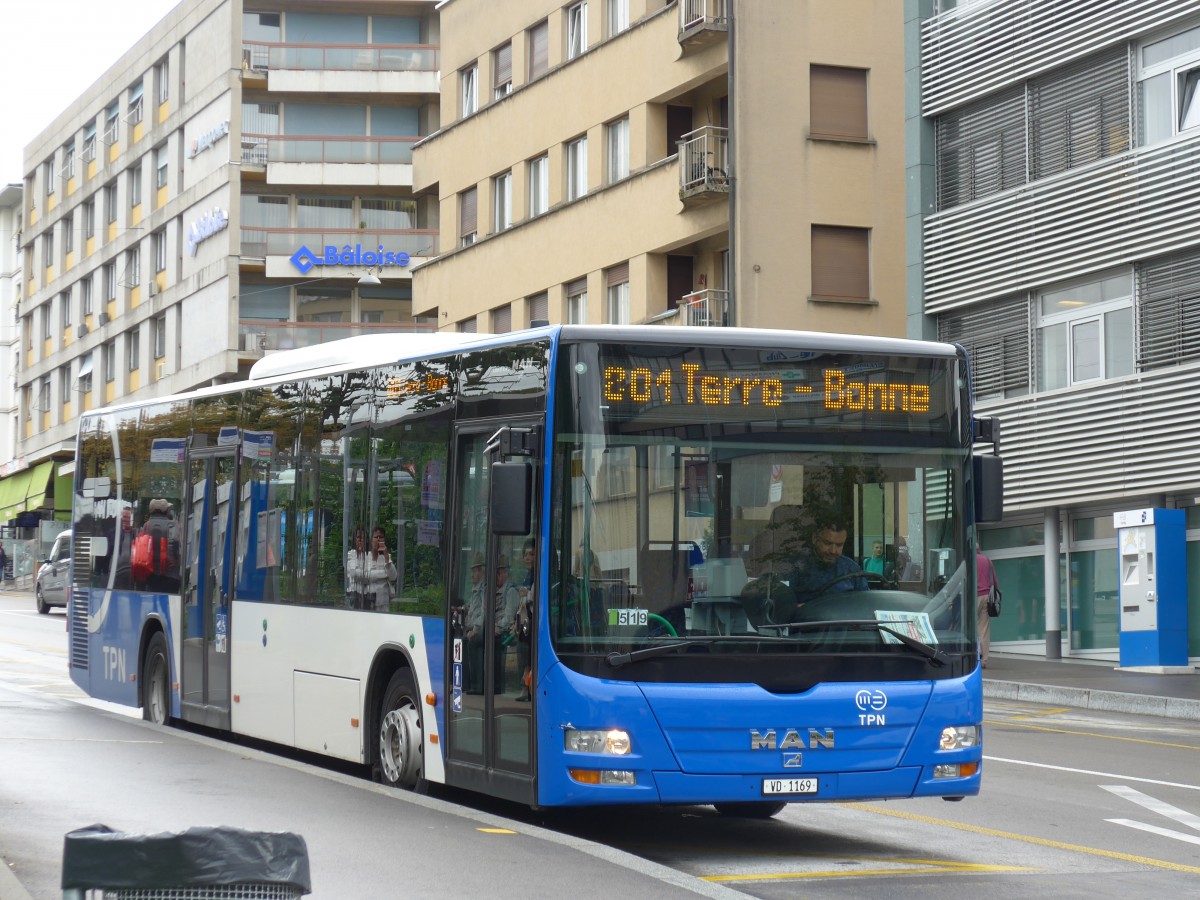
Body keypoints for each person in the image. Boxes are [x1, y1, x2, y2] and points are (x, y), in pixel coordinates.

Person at [788, 517, 867, 604]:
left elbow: (864, 603)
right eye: (827, 543)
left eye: (839, 545)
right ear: (815, 539)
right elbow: (783, 606)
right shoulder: (796, 567)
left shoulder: (852, 569)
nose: (833, 551)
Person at [463, 553, 487, 693]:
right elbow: (473, 609)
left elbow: (484, 612)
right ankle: (464, 683)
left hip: (483, 628)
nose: (472, 574)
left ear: (481, 571)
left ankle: (476, 684)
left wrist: (475, 629)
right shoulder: (476, 588)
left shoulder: (484, 588)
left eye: (474, 571)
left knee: (471, 640)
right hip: (474, 625)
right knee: (460, 640)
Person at [363, 527, 398, 611]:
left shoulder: (387, 557)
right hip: (368, 601)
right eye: (376, 537)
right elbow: (365, 577)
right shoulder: (365, 558)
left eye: (381, 537)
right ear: (371, 540)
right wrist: (384, 574)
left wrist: (386, 557)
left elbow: (393, 577)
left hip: (383, 603)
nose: (378, 540)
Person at [976, 542, 999, 668]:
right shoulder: (987, 560)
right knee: (983, 629)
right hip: (986, 596)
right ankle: (984, 660)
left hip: (973, 597)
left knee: (969, 628)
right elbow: (995, 582)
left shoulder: (969, 561)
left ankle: (973, 657)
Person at [346, 528, 368, 609]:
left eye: (363, 538)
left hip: (365, 595)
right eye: (358, 537)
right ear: (355, 540)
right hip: (353, 594)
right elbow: (353, 573)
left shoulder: (368, 556)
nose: (360, 540)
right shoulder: (351, 554)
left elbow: (369, 577)